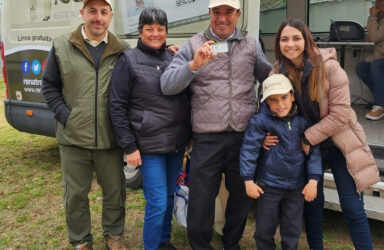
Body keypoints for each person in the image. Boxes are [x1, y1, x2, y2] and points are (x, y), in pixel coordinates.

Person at [160, 0, 273, 248]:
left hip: (244, 136)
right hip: (206, 135)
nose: (223, 18)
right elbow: (167, 84)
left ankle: (232, 242)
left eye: (229, 12)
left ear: (238, 14)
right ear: (209, 13)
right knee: (201, 198)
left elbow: (270, 79)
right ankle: (200, 245)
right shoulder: (193, 44)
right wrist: (193, 66)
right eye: (217, 12)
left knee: (241, 195)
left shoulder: (250, 44)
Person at [264, 18, 380, 250]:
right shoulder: (277, 71)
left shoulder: (329, 67)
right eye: (284, 39)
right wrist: (263, 135)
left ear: (306, 40)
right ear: (278, 44)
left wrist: (308, 137)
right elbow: (267, 108)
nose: (290, 44)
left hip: (339, 143)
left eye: (296, 38)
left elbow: (341, 115)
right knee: (312, 205)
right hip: (308, 149)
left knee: (352, 207)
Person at [41, 0, 129, 249]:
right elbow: (49, 87)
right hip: (73, 139)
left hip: (109, 138)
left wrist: (173, 51)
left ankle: (114, 235)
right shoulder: (61, 46)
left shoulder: (122, 49)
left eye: (103, 12)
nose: (97, 17)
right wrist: (66, 116)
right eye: (92, 11)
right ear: (82, 13)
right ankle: (81, 240)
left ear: (111, 16)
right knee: (76, 195)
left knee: (114, 192)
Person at [108, 8, 191, 250]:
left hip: (175, 144)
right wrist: (129, 146)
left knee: (167, 196)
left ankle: (164, 241)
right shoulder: (128, 60)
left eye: (160, 29)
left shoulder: (173, 57)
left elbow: (186, 97)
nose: (155, 34)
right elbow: (117, 105)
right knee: (156, 201)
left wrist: (190, 135)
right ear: (140, 31)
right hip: (149, 145)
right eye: (150, 29)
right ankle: (152, 246)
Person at [240, 74, 322, 250]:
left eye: (284, 97)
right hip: (268, 186)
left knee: (292, 229)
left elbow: (314, 153)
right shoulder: (260, 122)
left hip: (296, 187)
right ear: (266, 102)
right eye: (273, 100)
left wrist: (313, 181)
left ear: (292, 96)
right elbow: (249, 150)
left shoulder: (303, 122)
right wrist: (248, 180)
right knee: (264, 228)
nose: (280, 104)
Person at [356, 0, 384, 120]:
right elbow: (371, 37)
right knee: (361, 68)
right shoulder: (382, 16)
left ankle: (379, 107)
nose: (379, 3)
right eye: (378, 0)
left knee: (377, 65)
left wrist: (372, 17)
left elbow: (375, 36)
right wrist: (373, 25)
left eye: (383, 0)